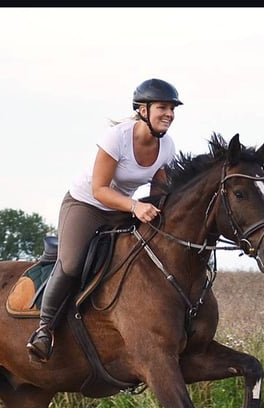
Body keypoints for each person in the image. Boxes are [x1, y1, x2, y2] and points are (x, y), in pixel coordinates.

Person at [26, 78, 183, 363]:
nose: (169, 114)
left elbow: (159, 192)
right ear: (143, 110)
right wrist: (135, 206)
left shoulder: (167, 147)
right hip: (86, 204)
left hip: (122, 208)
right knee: (72, 264)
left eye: (172, 109)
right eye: (163, 107)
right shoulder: (117, 138)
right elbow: (100, 189)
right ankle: (43, 330)